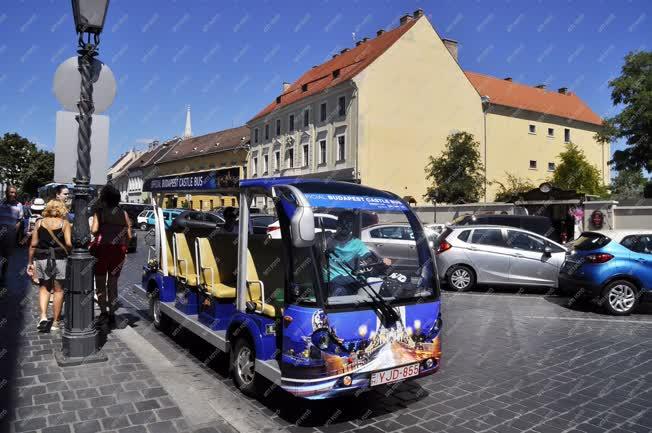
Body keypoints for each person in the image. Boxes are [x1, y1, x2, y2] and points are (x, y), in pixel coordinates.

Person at [26, 200, 71, 331]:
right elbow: (68, 243)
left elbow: (33, 244)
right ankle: (56, 322)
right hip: (59, 259)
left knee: (44, 288)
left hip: (42, 258)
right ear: (61, 209)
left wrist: (30, 263)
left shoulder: (39, 222)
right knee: (58, 290)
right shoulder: (64, 223)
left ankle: (43, 317)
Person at [323, 211, 391, 297]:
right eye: (343, 222)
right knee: (339, 293)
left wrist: (382, 261)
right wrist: (332, 238)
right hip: (331, 280)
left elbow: (369, 257)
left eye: (349, 223)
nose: (346, 225)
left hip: (350, 279)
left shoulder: (357, 243)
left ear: (353, 226)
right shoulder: (326, 238)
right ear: (338, 223)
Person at [92, 185, 132, 326]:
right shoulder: (123, 213)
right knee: (113, 283)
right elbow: (129, 235)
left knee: (101, 282)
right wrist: (124, 248)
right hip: (118, 251)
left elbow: (94, 230)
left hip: (102, 249)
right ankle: (112, 313)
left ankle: (103, 312)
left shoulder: (100, 212)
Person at [0, 186, 24, 287]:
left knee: (6, 257)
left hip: (10, 236)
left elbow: (19, 220)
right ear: (6, 193)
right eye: (11, 192)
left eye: (14, 193)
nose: (13, 194)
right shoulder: (1, 204)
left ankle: (3, 277)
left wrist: (14, 232)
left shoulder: (19, 205)